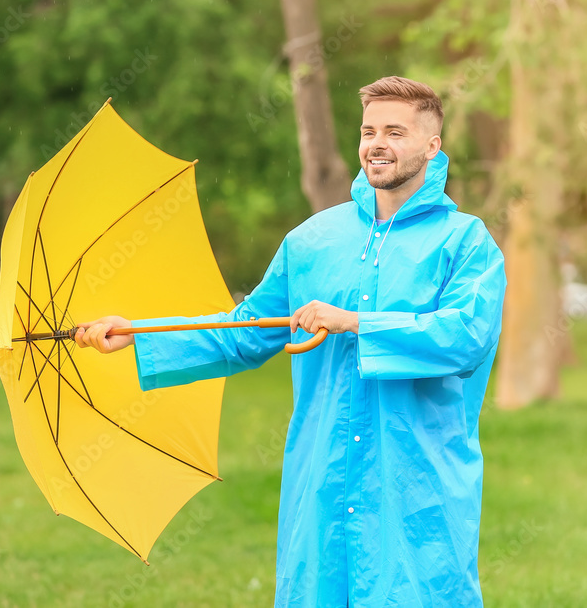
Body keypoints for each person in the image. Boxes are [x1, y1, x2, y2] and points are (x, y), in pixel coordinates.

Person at [75, 76, 507, 607]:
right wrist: (135, 334)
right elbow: (243, 331)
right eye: (369, 130)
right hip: (322, 475)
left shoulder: (465, 243)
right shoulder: (311, 241)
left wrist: (356, 323)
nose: (377, 144)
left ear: (431, 145)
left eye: (395, 132)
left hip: (416, 486)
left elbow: (465, 336)